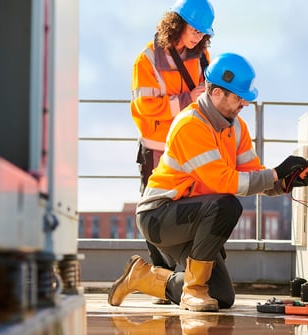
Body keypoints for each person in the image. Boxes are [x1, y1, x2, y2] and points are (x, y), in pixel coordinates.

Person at [109, 53, 308, 312]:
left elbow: (252, 173)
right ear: (217, 93)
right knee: (228, 205)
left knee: (221, 297)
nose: (244, 103)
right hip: (160, 216)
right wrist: (275, 174)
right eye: (239, 97)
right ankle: (192, 291)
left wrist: (285, 182)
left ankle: (143, 277)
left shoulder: (236, 127)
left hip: (193, 217)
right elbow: (223, 182)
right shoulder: (190, 125)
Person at [130, 0, 214, 302]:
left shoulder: (202, 55)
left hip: (189, 146)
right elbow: (145, 106)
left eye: (203, 33)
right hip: (157, 148)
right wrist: (187, 98)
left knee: (189, 207)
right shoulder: (148, 59)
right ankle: (160, 278)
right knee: (155, 211)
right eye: (194, 30)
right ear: (176, 24)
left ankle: (179, 279)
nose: (198, 37)